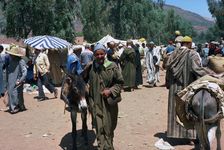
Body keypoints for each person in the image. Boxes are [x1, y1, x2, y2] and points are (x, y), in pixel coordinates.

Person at [165, 36, 215, 141]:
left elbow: (168, 68)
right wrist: (211, 74)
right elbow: (196, 69)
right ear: (189, 44)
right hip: (186, 86)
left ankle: (173, 132)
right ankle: (190, 135)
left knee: (174, 109)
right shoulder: (191, 54)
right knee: (188, 110)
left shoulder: (173, 54)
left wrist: (168, 83)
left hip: (174, 87)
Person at [86, 43, 124, 149]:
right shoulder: (91, 66)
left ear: (105, 54)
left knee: (109, 128)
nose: (99, 57)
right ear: (94, 55)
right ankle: (101, 147)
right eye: (97, 54)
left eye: (101, 54)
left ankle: (109, 147)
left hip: (108, 104)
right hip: (95, 104)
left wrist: (111, 91)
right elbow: (84, 80)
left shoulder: (112, 66)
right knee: (99, 128)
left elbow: (120, 82)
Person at [5, 45, 27, 113]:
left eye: (11, 54)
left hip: (17, 80)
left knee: (16, 94)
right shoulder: (11, 60)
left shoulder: (21, 61)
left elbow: (24, 72)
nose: (10, 55)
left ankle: (15, 107)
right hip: (11, 80)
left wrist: (20, 80)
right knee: (11, 93)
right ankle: (16, 107)